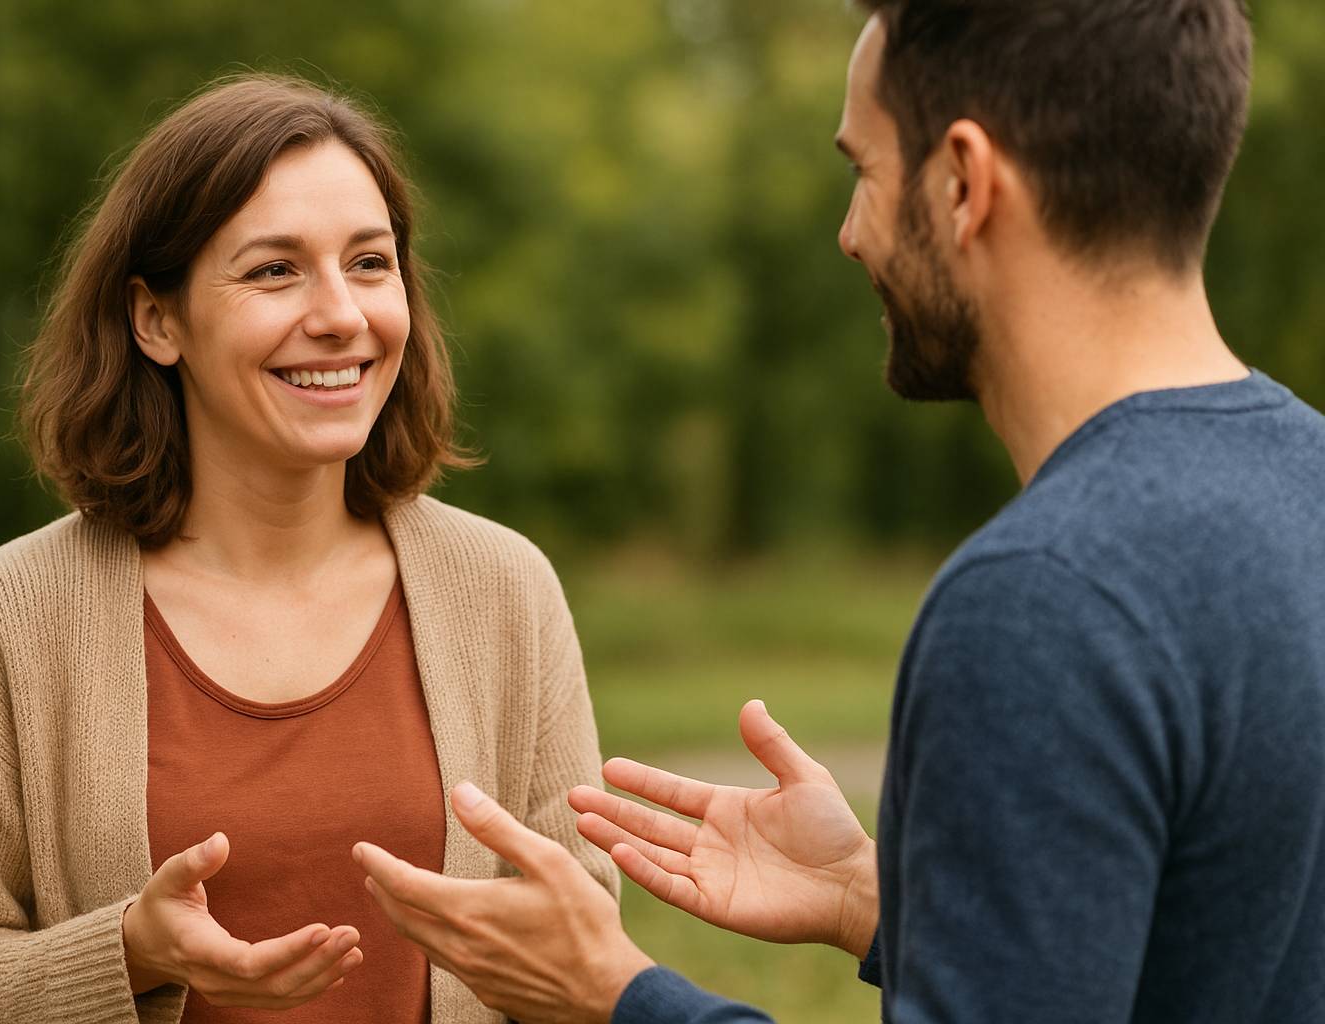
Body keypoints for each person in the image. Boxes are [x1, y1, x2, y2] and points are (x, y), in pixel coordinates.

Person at [353, 1, 1325, 1021]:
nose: (850, 233)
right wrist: (874, 896)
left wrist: (619, 996)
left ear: (963, 182)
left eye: (864, 171)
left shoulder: (1042, 597)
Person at [0, 75, 617, 1024]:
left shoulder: (506, 590)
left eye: (370, 263)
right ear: (156, 320)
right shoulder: (13, 614)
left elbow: (587, 956)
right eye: (274, 270)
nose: (342, 314)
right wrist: (130, 951)